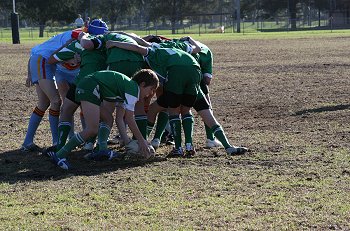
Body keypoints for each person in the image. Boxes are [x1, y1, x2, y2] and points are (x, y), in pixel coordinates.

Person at [106, 41, 202, 157]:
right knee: (186, 109)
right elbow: (197, 49)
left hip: (175, 71)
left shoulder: (153, 50)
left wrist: (114, 43)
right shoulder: (178, 46)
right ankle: (189, 145)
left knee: (173, 109)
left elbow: (135, 47)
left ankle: (178, 148)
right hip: (195, 68)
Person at [49, 69, 159, 170]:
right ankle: (59, 155)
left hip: (90, 85)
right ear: (143, 84)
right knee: (92, 129)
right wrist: (142, 141)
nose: (150, 94)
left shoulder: (128, 88)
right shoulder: (133, 90)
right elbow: (130, 119)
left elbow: (119, 119)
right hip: (89, 86)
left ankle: (102, 150)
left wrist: (127, 141)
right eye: (151, 90)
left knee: (108, 119)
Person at [21, 31, 74, 152]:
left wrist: (30, 74)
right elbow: (44, 56)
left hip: (40, 62)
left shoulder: (56, 39)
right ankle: (56, 142)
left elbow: (34, 52)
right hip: (42, 62)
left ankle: (27, 142)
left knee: (43, 103)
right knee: (55, 101)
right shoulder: (69, 39)